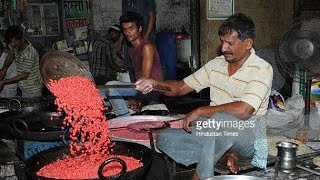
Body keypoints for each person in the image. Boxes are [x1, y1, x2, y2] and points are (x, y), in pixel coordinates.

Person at [135, 13, 273, 179]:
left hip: (250, 138)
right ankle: (223, 154)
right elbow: (180, 87)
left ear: (248, 43)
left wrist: (201, 110)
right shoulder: (216, 64)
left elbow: (245, 110)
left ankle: (202, 175)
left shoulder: (262, 69)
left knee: (220, 119)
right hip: (214, 132)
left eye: (230, 43)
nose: (223, 48)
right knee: (165, 139)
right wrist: (154, 84)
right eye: (222, 41)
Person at [103, 12, 163, 117]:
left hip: (151, 89)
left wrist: (138, 100)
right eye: (125, 29)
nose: (127, 32)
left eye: (131, 28)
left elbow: (145, 80)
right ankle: (127, 110)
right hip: (139, 88)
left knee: (110, 86)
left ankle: (124, 120)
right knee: (100, 94)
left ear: (139, 29)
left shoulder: (147, 47)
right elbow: (137, 80)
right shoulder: (132, 50)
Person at [118, 0, 157, 82]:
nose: (127, 31)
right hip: (132, 43)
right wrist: (120, 42)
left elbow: (152, 16)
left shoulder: (146, 47)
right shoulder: (125, 2)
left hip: (143, 38)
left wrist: (145, 38)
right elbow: (124, 24)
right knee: (132, 67)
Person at [0, 25, 42, 98]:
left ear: (21, 39)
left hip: (32, 89)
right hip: (23, 87)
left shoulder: (29, 54)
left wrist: (4, 82)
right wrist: (4, 69)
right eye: (11, 42)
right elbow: (10, 55)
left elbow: (24, 75)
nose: (12, 44)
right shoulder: (14, 45)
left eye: (15, 42)